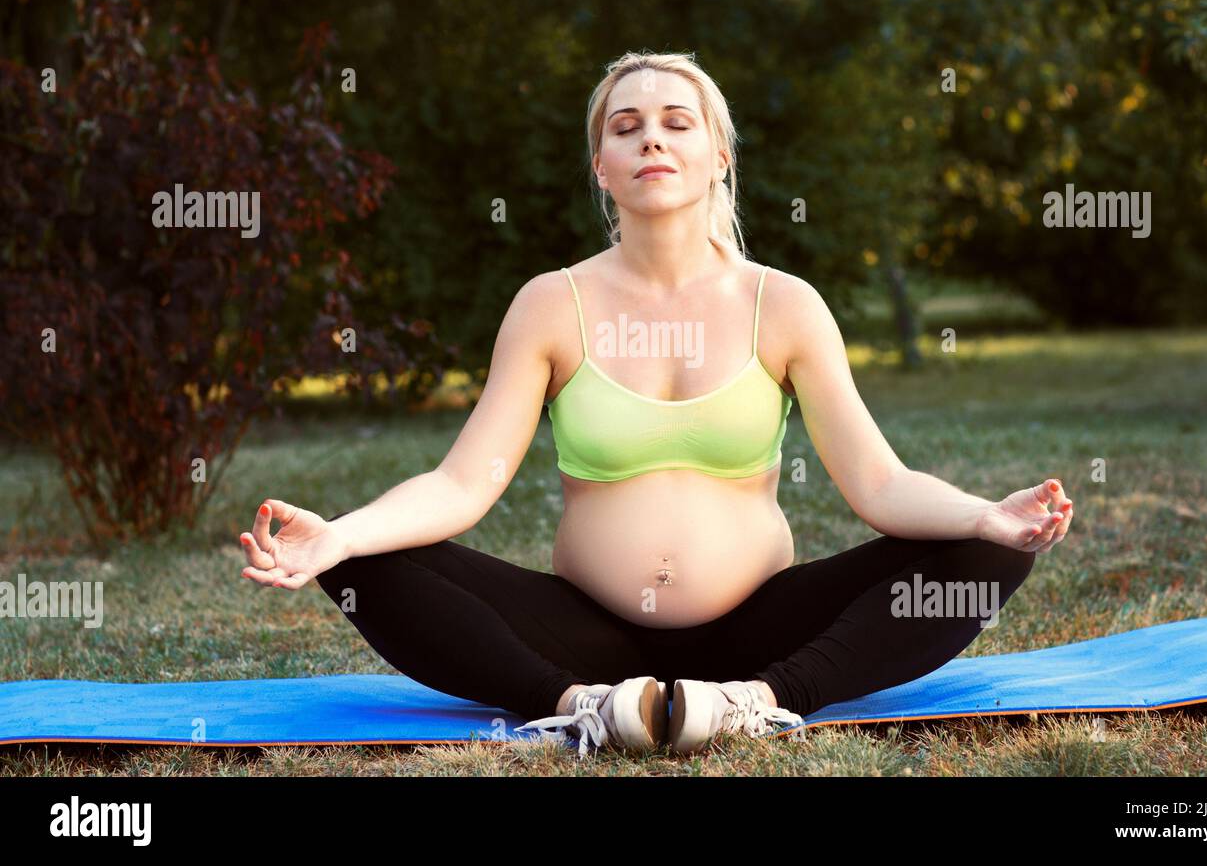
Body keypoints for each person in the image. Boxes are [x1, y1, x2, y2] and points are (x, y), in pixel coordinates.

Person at [237, 51, 1073, 758]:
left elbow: (880, 486)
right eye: (626, 126)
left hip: (759, 632)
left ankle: (760, 702)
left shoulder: (782, 304)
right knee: (365, 561)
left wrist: (983, 516)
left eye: (678, 122)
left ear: (719, 157)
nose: (652, 140)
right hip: (582, 636)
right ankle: (578, 709)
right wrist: (339, 535)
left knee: (988, 553)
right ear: (601, 165)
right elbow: (462, 486)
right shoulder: (549, 305)